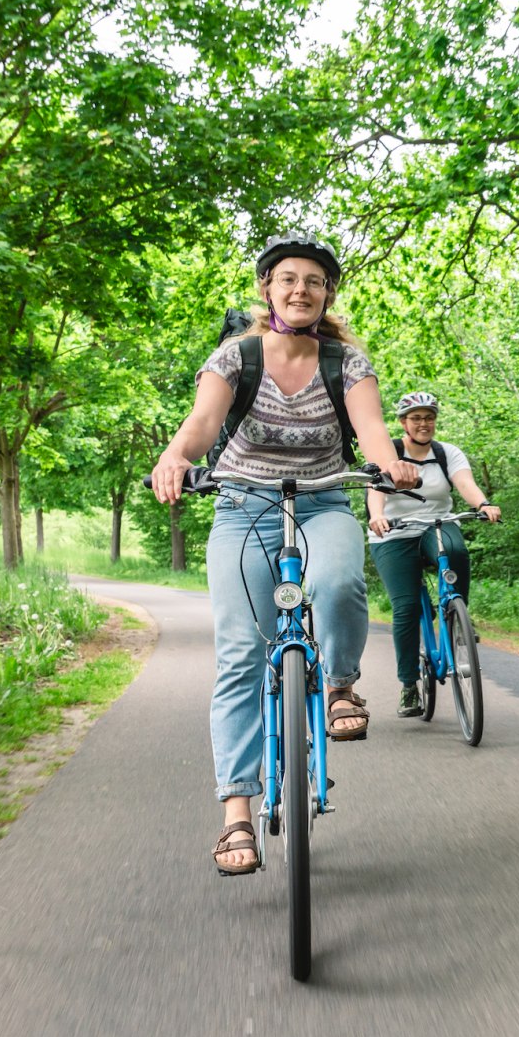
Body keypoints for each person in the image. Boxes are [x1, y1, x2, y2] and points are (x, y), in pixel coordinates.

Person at [151, 231, 416, 873]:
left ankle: (341, 687)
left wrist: (391, 466)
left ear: (328, 295)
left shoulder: (344, 363)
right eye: (288, 279)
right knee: (242, 653)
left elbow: (372, 430)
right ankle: (237, 814)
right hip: (243, 504)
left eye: (315, 282)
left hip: (324, 499)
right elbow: (204, 424)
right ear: (267, 289)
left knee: (338, 584)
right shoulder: (235, 357)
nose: (301, 290)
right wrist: (176, 455)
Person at [367, 392, 501, 717]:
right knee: (407, 606)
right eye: (416, 418)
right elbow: (375, 491)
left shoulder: (446, 453)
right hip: (394, 533)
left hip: (436, 524)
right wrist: (377, 515)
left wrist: (481, 505)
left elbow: (465, 483)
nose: (423, 424)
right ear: (403, 423)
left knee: (455, 549)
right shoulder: (391, 453)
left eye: (429, 417)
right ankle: (409, 686)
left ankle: (458, 620)